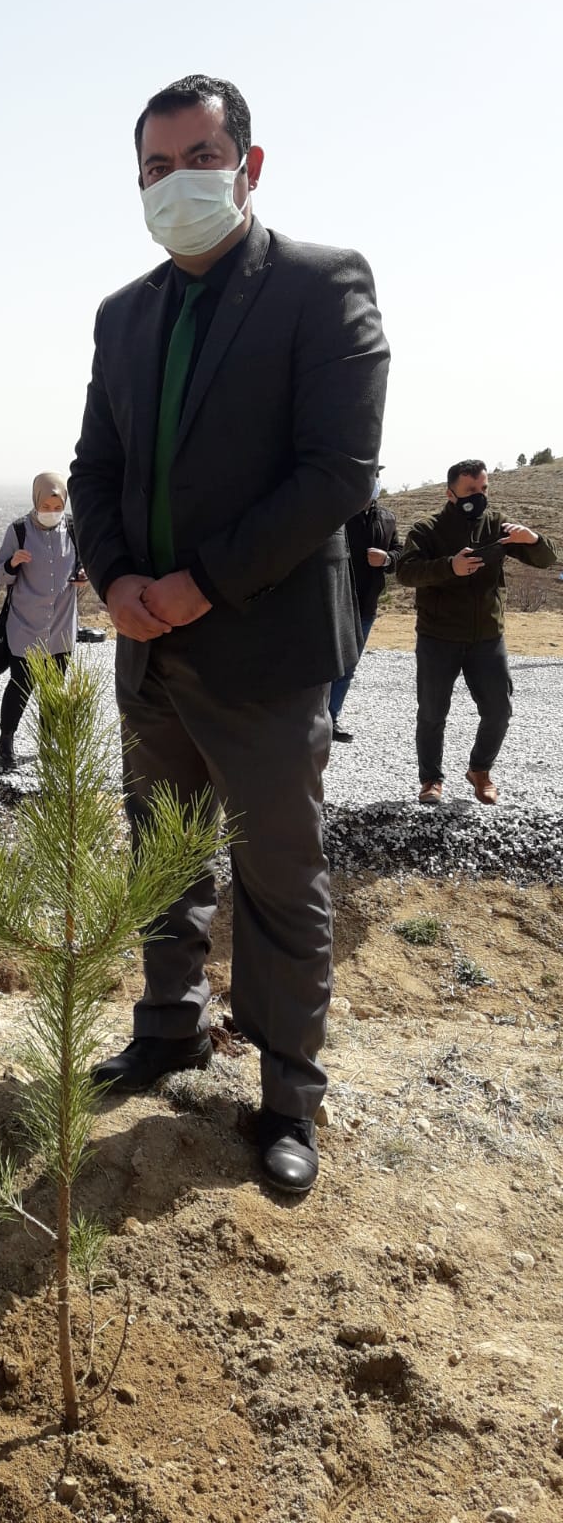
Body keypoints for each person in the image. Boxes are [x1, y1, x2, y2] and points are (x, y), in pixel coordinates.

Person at [70, 74, 388, 1195]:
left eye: (193, 160)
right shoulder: (124, 313)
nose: (172, 184)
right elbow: (96, 468)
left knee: (277, 874)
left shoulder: (318, 285)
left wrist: (200, 583)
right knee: (162, 853)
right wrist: (114, 580)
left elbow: (338, 472)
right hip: (147, 645)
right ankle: (168, 1025)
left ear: (248, 166)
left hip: (259, 648)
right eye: (153, 169)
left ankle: (289, 1094)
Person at [395, 459, 557, 805]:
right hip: (438, 637)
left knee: (499, 710)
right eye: (471, 490)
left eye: (483, 489)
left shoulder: (498, 526)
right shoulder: (427, 529)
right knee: (432, 713)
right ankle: (431, 780)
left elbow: (546, 560)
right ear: (450, 492)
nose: (479, 496)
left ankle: (480, 771)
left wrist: (533, 539)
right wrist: (449, 567)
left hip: (487, 637)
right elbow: (405, 573)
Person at [0, 472, 85, 769]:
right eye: (46, 506)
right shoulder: (19, 530)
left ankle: (48, 745)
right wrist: (12, 563)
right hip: (25, 627)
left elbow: (82, 566)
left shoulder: (73, 529)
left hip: (61, 627)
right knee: (20, 685)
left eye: (57, 506)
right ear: (36, 501)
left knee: (54, 691)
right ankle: (6, 740)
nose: (52, 512)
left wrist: (82, 577)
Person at [328, 475, 401, 742]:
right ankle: (311, 720)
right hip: (334, 602)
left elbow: (399, 552)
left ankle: (331, 719)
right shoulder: (337, 513)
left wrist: (387, 559)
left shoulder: (388, 518)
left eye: (376, 477)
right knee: (324, 662)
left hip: (366, 605)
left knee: (348, 666)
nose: (373, 482)